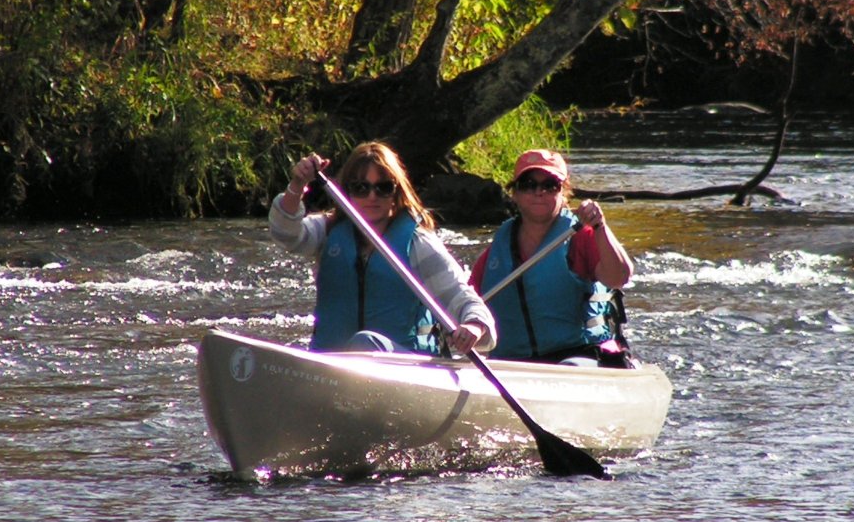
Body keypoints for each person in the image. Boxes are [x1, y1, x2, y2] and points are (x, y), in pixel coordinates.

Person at [270, 141, 496, 356]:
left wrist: (475, 326)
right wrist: (298, 185)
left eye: (383, 188)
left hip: (404, 365)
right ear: (348, 192)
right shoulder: (328, 231)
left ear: (396, 192)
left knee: (365, 342)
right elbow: (286, 234)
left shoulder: (418, 243)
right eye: (361, 188)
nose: (372, 196)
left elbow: (461, 296)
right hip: (331, 364)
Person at [469, 148, 635, 366]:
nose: (539, 192)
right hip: (511, 362)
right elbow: (467, 300)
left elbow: (619, 277)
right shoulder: (501, 245)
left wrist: (600, 227)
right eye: (528, 184)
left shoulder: (580, 236)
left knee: (571, 367)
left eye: (550, 185)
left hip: (576, 355)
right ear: (515, 193)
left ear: (563, 193)